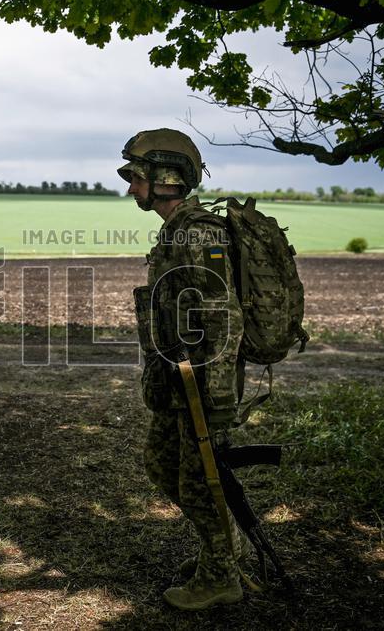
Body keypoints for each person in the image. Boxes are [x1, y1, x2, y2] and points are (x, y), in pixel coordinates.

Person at [123, 129, 250, 610]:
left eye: (136, 177)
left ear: (167, 179)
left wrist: (214, 396)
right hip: (177, 381)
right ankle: (224, 551)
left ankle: (221, 576)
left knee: (200, 484)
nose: (131, 188)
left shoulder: (198, 233)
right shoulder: (175, 229)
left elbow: (224, 316)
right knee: (162, 466)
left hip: (201, 386)